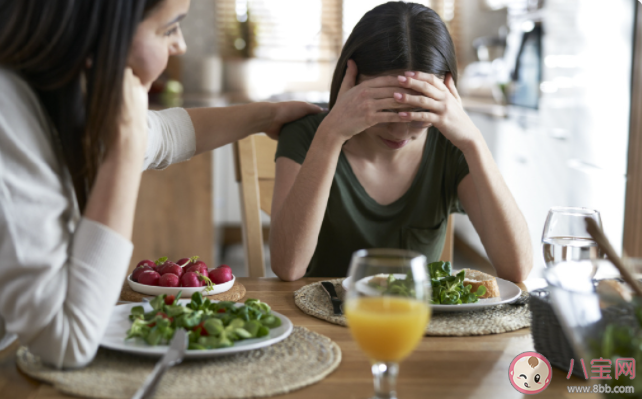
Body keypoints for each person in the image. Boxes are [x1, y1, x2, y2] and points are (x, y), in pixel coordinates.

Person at [0, 0, 320, 368]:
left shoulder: (51, 92)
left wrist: (268, 115)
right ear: (105, 33)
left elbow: (167, 134)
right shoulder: (8, 120)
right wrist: (126, 148)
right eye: (169, 28)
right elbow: (68, 342)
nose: (180, 45)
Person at [270, 2, 532, 282]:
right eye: (384, 108)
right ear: (351, 83)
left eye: (419, 112)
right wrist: (330, 136)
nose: (399, 131)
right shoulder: (308, 135)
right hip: (321, 321)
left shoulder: (452, 146)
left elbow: (517, 268)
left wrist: (474, 142)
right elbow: (288, 267)